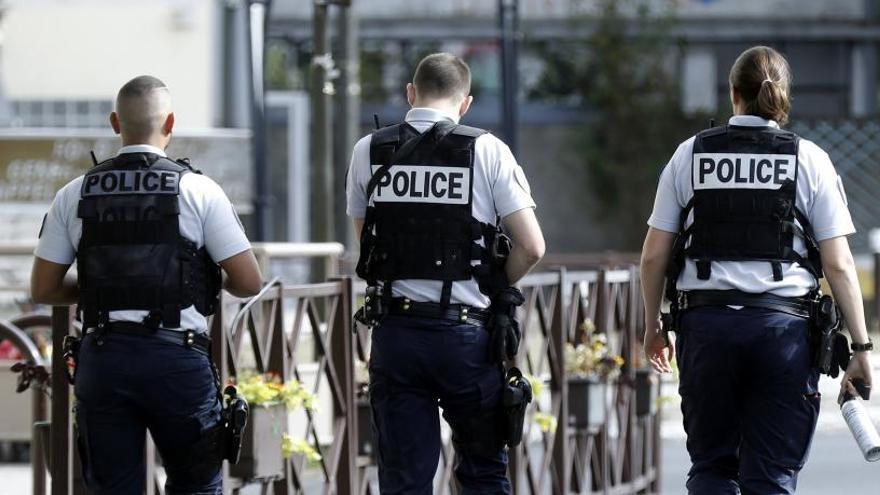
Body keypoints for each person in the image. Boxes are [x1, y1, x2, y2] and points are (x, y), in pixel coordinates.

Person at [640, 45, 873, 494]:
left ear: (733, 94)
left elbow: (652, 257)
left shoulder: (689, 155)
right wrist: (862, 347)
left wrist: (652, 325)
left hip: (706, 330)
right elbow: (839, 263)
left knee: (711, 468)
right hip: (782, 335)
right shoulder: (809, 159)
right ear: (783, 95)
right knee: (771, 476)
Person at [30, 75, 263, 495]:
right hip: (178, 360)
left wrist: (105, 287)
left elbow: (44, 289)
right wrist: (200, 276)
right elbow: (249, 282)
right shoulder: (199, 190)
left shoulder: (73, 193)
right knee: (195, 487)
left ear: (115, 123)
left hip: (105, 360)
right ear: (170, 122)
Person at [346, 52, 545, 493]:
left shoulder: (370, 149)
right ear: (466, 103)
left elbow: (368, 247)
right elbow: (532, 247)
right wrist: (494, 284)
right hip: (466, 339)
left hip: (396, 334)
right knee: (483, 475)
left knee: (404, 480)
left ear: (410, 94)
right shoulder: (487, 149)